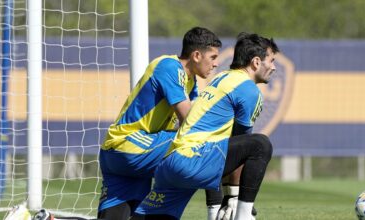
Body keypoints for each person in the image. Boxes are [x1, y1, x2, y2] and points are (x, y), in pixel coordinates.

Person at [132, 32, 279, 220]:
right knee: (260, 145)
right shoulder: (249, 90)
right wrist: (232, 197)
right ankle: (244, 216)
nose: (274, 67)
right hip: (192, 161)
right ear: (256, 62)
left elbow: (225, 148)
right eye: (272, 60)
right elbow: (239, 147)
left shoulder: (222, 78)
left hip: (169, 163)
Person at [97, 27, 222, 220]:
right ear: (197, 55)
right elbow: (191, 124)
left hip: (118, 154)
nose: (216, 64)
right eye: (213, 57)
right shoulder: (170, 67)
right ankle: (217, 211)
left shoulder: (190, 81)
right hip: (130, 145)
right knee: (204, 149)